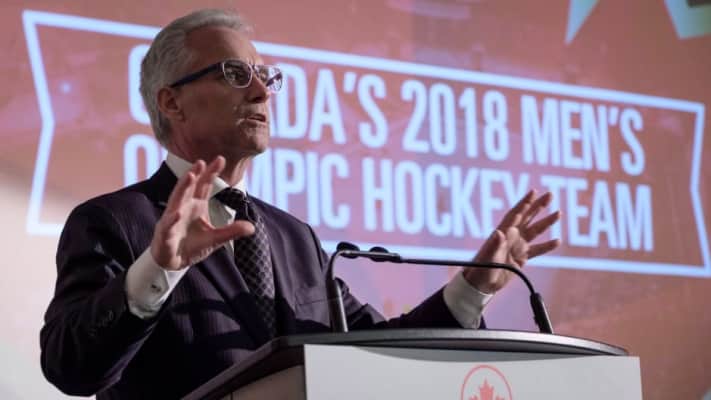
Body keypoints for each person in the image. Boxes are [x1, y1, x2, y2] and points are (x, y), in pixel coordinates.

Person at [39, 8, 561, 399]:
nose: (262, 93)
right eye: (235, 74)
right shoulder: (114, 222)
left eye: (266, 77)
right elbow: (71, 369)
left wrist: (471, 289)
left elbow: (378, 350)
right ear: (171, 101)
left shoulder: (295, 237)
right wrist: (158, 269)